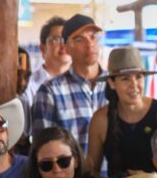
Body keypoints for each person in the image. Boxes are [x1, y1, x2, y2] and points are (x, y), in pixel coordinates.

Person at [87, 46, 157, 178]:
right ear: (112, 83)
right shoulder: (100, 120)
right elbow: (92, 172)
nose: (134, 85)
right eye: (125, 79)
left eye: (138, 77)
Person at [32, 14, 107, 153]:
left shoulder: (116, 84)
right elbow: (43, 151)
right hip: (71, 174)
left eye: (93, 37)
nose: (89, 43)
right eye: (79, 39)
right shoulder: (50, 92)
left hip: (118, 175)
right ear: (66, 48)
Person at [23, 16, 71, 107]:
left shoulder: (79, 83)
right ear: (42, 48)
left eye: (66, 39)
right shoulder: (29, 85)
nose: (63, 45)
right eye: (57, 39)